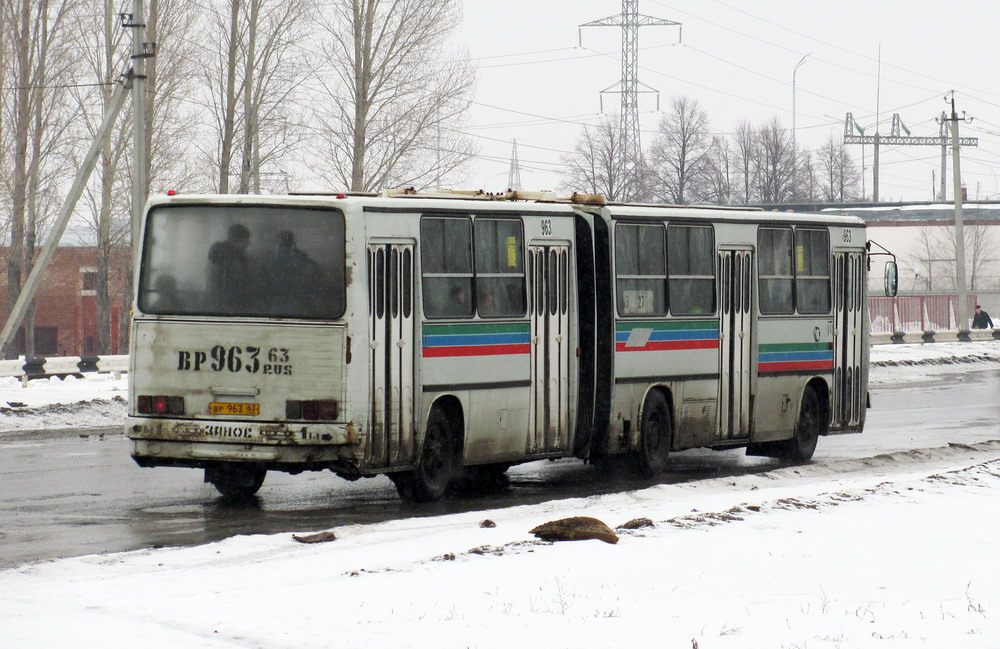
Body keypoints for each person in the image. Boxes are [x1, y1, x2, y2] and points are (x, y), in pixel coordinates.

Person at [208, 223, 252, 312]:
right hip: (231, 307)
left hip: (216, 304)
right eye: (246, 240)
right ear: (238, 240)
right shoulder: (232, 259)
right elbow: (238, 285)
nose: (248, 244)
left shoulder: (219, 255)